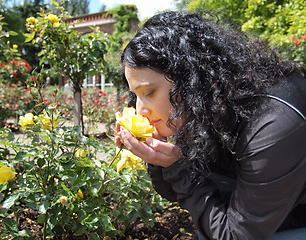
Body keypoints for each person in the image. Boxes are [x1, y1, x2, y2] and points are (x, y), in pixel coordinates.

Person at [115, 11, 306, 240]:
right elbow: (177, 193)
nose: (140, 110)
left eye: (149, 92)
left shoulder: (272, 127)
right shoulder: (207, 110)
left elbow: (235, 236)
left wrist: (176, 167)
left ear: (191, 78)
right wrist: (162, 162)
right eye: (136, 95)